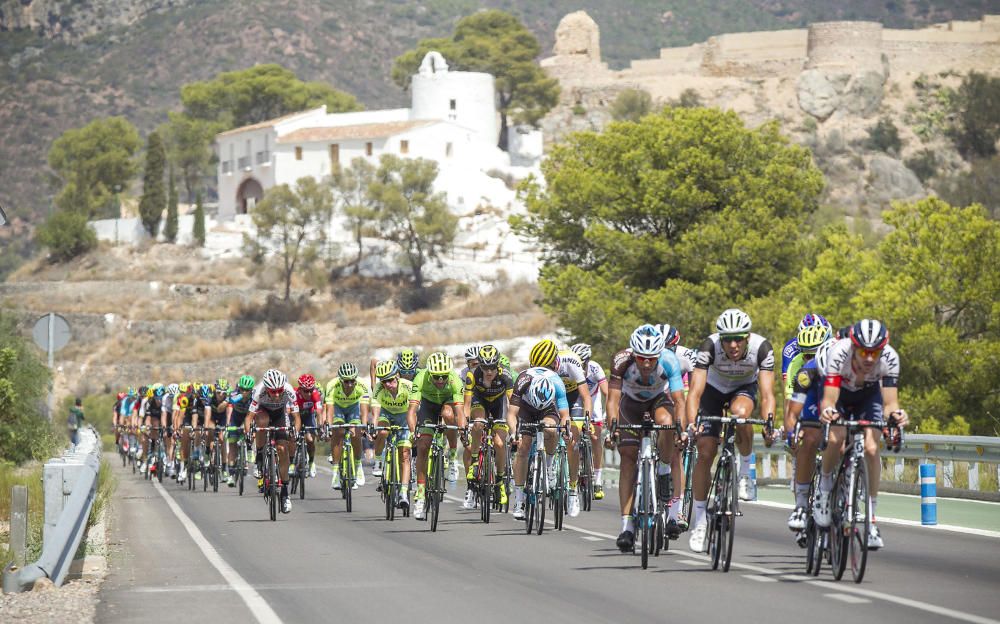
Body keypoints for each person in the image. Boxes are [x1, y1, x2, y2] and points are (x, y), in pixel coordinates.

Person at [685, 308, 776, 553]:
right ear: (720, 339)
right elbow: (694, 392)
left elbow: (767, 395)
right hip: (712, 390)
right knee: (705, 452)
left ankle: (746, 472)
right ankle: (700, 521)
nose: (733, 345)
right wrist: (692, 423)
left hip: (743, 388)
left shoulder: (763, 349)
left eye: (738, 338)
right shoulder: (709, 348)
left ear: (748, 337)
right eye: (727, 339)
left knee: (741, 414)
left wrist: (768, 423)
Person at [815, 319, 909, 550]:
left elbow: (889, 403)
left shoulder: (890, 358)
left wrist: (896, 415)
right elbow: (829, 399)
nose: (869, 358)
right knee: (836, 439)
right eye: (864, 352)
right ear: (853, 346)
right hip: (840, 395)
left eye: (874, 352)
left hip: (869, 396)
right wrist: (828, 412)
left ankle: (871, 518)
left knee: (871, 447)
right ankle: (825, 490)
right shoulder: (839, 353)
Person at [606, 325, 685, 551]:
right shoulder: (621, 361)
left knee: (667, 424)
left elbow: (679, 400)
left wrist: (682, 429)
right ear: (634, 354)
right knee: (628, 458)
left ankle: (663, 471)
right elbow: (612, 400)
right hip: (630, 406)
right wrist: (613, 427)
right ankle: (627, 527)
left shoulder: (669, 360)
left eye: (652, 358)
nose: (647, 364)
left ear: (659, 354)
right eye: (642, 358)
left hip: (658, 401)